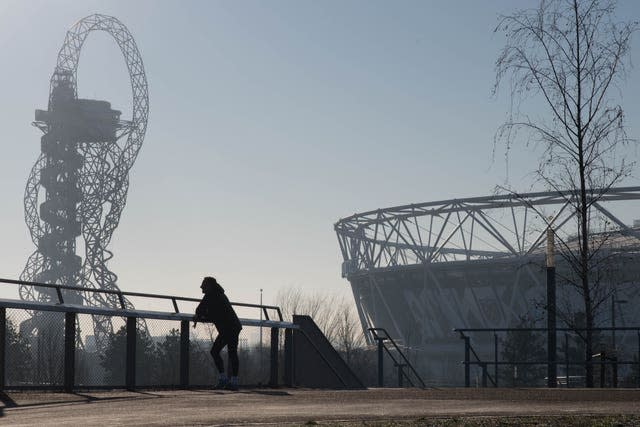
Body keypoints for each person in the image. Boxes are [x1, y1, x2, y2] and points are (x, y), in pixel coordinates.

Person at [193, 276, 242, 390]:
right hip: (231, 327)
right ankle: (231, 381)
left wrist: (201, 316)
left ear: (209, 286)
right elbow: (200, 309)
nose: (201, 287)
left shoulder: (214, 296)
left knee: (220, 351)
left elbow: (207, 312)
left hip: (229, 328)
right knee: (228, 352)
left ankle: (227, 380)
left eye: (203, 285)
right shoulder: (215, 295)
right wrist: (201, 314)